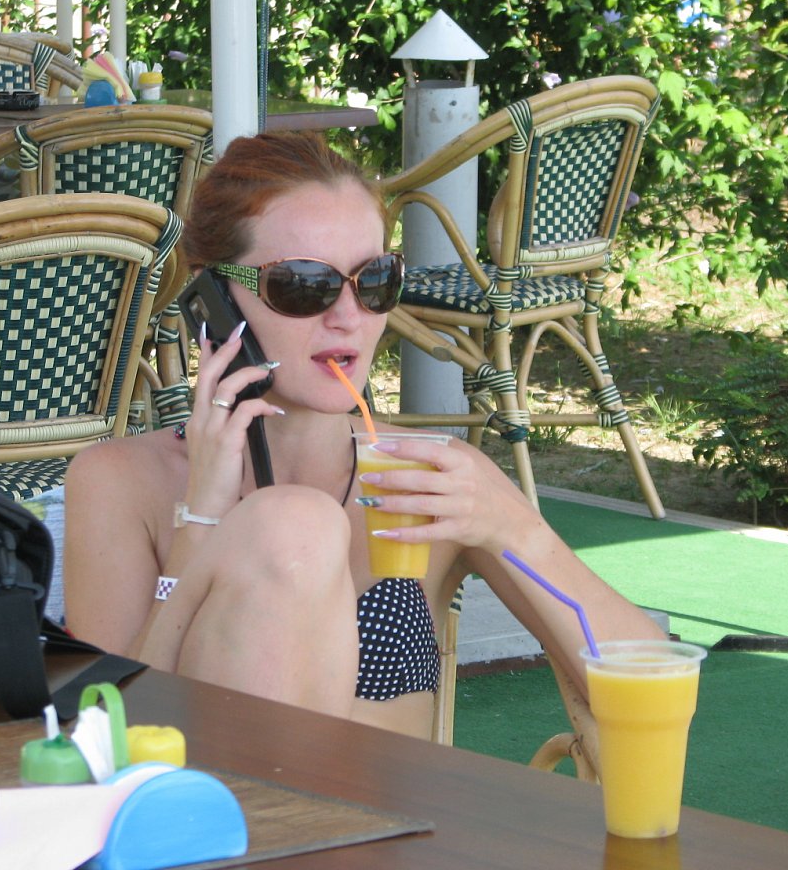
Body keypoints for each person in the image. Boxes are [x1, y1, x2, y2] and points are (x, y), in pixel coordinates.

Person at [64, 131, 664, 739]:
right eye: (303, 285)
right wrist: (201, 521)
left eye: (374, 279)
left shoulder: (429, 478)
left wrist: (515, 529)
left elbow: (652, 682)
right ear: (213, 298)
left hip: (390, 800)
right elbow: (104, 734)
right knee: (294, 525)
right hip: (211, 794)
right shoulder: (122, 481)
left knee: (296, 523)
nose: (348, 317)